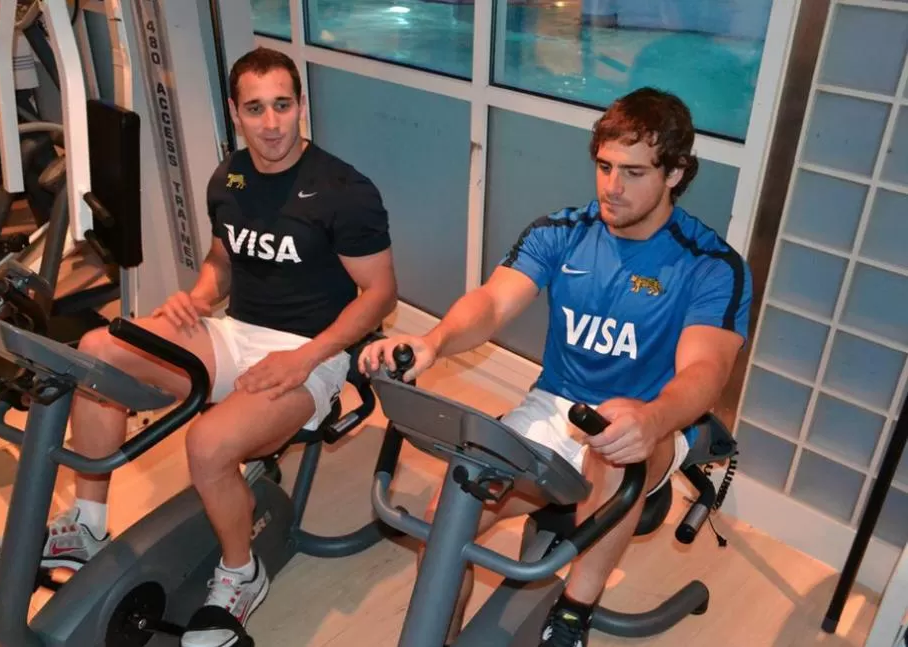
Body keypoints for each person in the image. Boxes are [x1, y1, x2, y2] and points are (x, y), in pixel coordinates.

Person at [360, 87, 752, 647]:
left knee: (615, 441)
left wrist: (654, 417)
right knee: (448, 525)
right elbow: (492, 303)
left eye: (634, 172)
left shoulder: (710, 266)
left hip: (654, 424)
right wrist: (435, 341)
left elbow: (704, 375)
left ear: (675, 173)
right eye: (604, 166)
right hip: (555, 408)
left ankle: (572, 614)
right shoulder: (563, 232)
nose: (612, 187)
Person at [38, 46, 397, 647]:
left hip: (316, 352)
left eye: (283, 105)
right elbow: (222, 260)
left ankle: (240, 571)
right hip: (236, 333)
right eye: (256, 108)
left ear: (300, 106)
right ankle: (89, 526)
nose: (272, 122)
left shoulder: (343, 190)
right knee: (97, 351)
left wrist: (306, 357)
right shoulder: (228, 177)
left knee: (207, 444)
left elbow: (380, 293)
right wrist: (200, 297)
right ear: (236, 112)